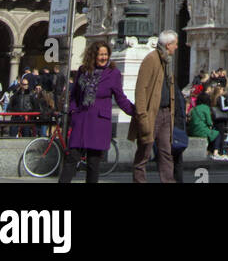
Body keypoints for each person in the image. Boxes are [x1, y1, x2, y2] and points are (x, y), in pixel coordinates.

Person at [59, 41, 135, 184]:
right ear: (93, 55)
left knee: (93, 163)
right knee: (72, 158)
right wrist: (73, 112)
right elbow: (74, 95)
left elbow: (120, 98)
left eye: (106, 54)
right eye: (100, 54)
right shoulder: (83, 70)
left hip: (99, 122)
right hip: (81, 119)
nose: (103, 57)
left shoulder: (113, 73)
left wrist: (135, 111)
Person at [130, 30, 178, 184]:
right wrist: (142, 115)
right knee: (144, 152)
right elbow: (141, 89)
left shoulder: (167, 62)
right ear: (168, 45)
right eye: (175, 44)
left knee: (166, 152)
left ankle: (168, 181)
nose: (176, 48)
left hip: (165, 112)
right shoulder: (151, 59)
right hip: (152, 113)